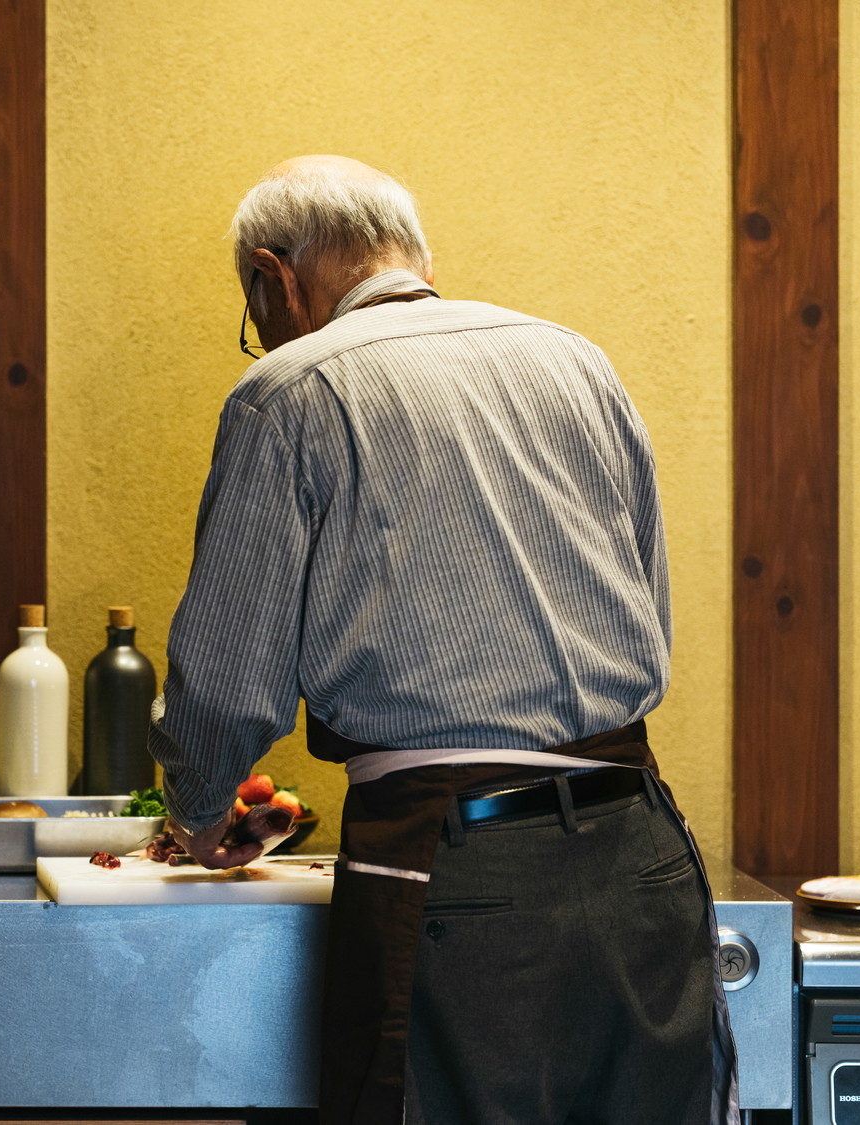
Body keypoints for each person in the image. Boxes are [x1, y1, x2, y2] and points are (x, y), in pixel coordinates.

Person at [149, 156, 735, 1124]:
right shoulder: (575, 360)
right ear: (410, 254)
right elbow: (644, 600)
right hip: (643, 856)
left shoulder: (288, 389)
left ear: (273, 277)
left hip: (460, 872)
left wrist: (200, 810)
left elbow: (226, 680)